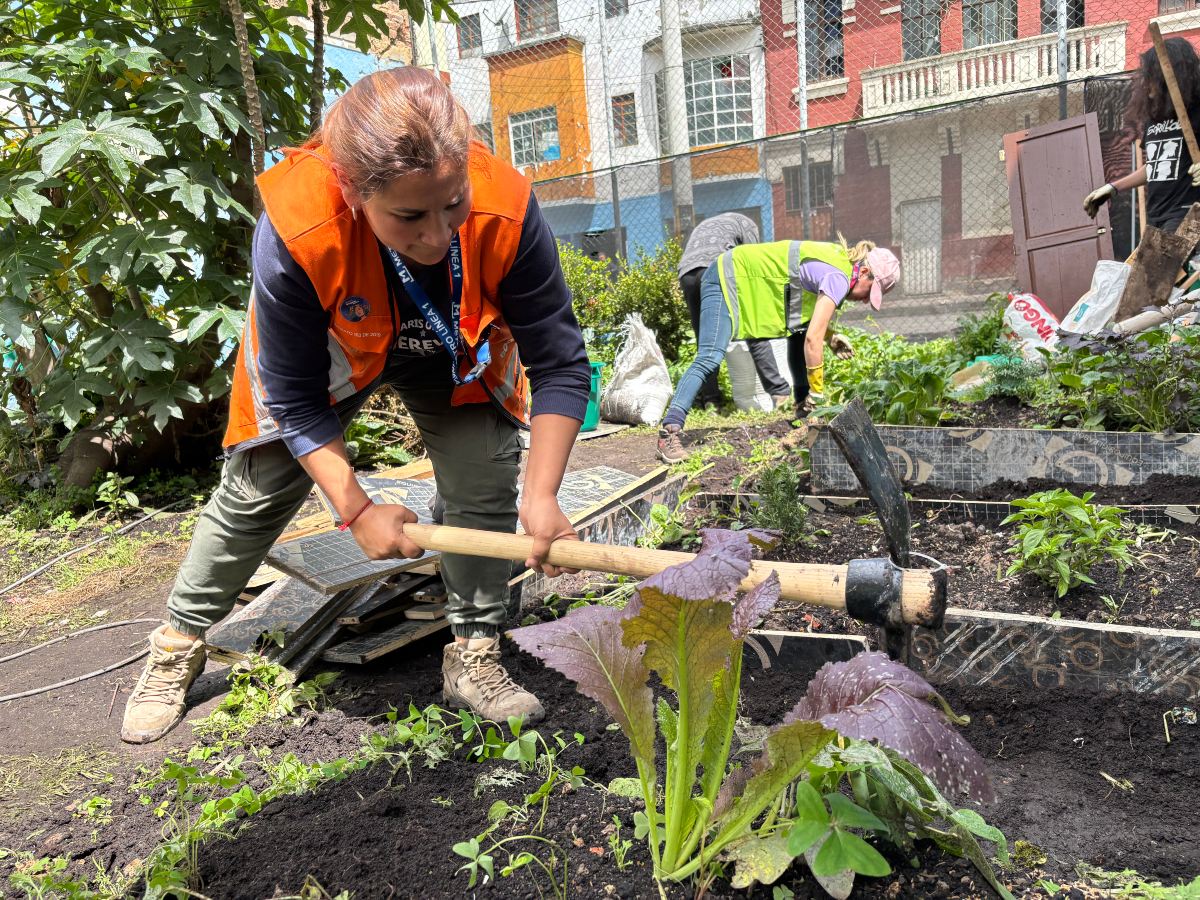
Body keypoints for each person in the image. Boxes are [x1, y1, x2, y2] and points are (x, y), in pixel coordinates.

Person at [120, 68, 591, 744]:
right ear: (350, 189)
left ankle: (474, 648)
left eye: (453, 204)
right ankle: (177, 643)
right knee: (259, 487)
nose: (437, 236)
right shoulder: (299, 226)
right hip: (341, 343)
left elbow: (561, 363)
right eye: (409, 217)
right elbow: (291, 395)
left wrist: (542, 496)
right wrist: (358, 509)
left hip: (452, 341)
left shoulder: (508, 207)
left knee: (487, 475)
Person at [656, 237, 899, 463]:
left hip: (734, 277)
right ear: (864, 272)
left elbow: (803, 316)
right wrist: (817, 394)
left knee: (711, 356)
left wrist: (831, 337)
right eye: (870, 291)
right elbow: (812, 340)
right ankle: (668, 432)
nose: (866, 300)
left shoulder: (837, 262)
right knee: (709, 357)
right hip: (727, 278)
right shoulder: (839, 277)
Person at [1084, 38, 1200, 233]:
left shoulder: (1196, 112)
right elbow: (1155, 166)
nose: (1145, 82)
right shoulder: (1154, 118)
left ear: (1169, 76)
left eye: (1151, 75)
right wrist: (1112, 188)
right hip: (1157, 215)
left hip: (1188, 214)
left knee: (1158, 263)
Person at [677, 213, 791, 409]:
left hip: (687, 273)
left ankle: (711, 401)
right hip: (716, 270)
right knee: (754, 328)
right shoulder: (749, 226)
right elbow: (752, 264)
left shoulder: (710, 223)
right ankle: (779, 392)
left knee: (706, 344)